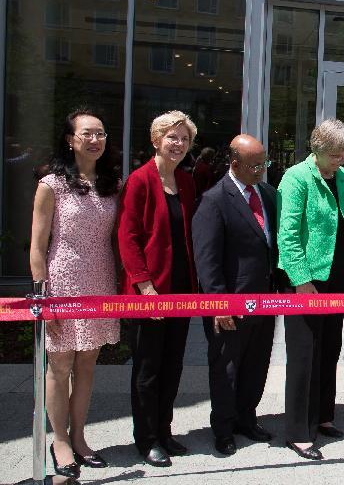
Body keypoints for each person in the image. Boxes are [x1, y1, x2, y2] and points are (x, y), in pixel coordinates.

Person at [29, 110, 120, 479]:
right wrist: (43, 297)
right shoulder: (51, 184)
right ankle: (60, 441)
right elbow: (37, 246)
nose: (95, 140)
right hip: (63, 281)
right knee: (60, 365)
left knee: (86, 365)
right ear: (70, 139)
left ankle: (80, 438)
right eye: (87, 133)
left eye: (100, 133)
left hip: (100, 279)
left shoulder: (112, 183)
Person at [277, 119, 344, 461]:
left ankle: (323, 415)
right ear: (317, 149)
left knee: (330, 348)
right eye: (336, 155)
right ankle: (299, 431)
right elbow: (288, 234)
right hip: (307, 279)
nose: (342, 160)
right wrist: (300, 279)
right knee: (304, 353)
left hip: (337, 276)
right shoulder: (296, 178)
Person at [117, 110, 198, 467]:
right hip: (150, 291)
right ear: (155, 139)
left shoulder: (186, 181)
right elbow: (128, 237)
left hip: (180, 291)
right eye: (172, 137)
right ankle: (146, 438)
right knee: (148, 369)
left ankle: (164, 431)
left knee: (173, 363)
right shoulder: (139, 180)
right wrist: (146, 287)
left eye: (184, 138)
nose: (178, 144)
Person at [192, 135, 278, 457]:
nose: (261, 170)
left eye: (264, 163)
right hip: (230, 303)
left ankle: (247, 418)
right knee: (226, 367)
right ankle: (224, 428)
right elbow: (207, 259)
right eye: (255, 165)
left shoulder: (267, 194)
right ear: (235, 164)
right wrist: (219, 304)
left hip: (265, 300)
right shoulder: (214, 200)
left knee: (257, 363)